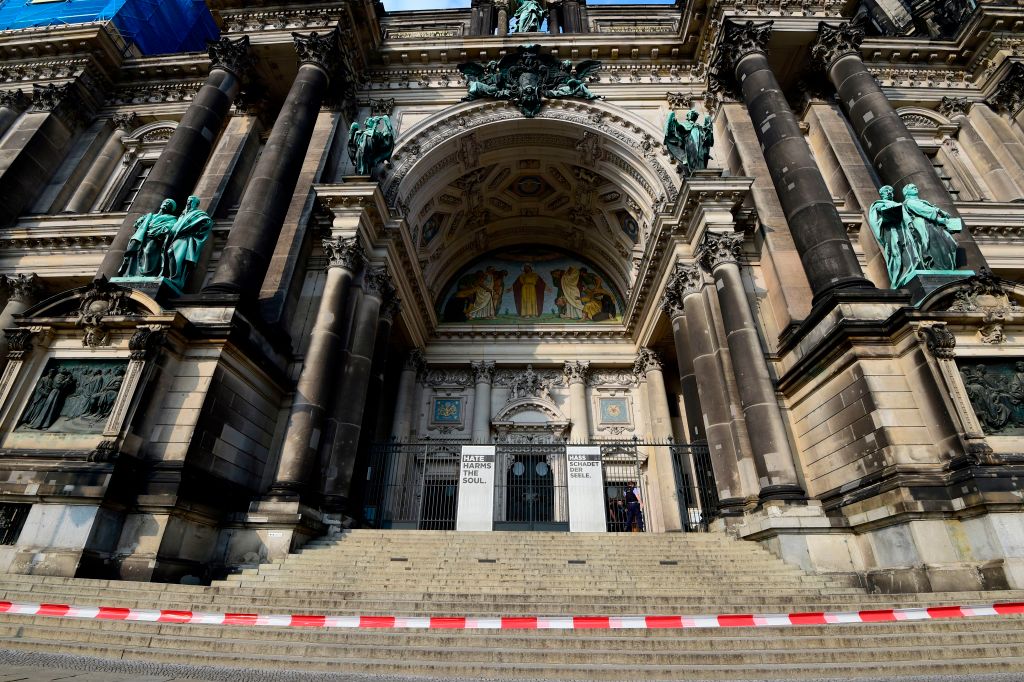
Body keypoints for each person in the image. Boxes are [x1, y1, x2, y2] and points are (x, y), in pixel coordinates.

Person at [901, 183, 961, 272]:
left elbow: (926, 209)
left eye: (915, 186)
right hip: (925, 226)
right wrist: (939, 214)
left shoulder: (921, 202)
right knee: (934, 246)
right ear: (906, 192)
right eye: (912, 187)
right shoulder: (909, 202)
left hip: (933, 225)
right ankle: (937, 268)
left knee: (950, 245)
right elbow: (924, 210)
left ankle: (947, 268)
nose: (915, 188)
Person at [868, 185, 919, 288]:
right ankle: (900, 277)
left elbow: (907, 218)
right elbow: (874, 221)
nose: (889, 193)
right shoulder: (878, 204)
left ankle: (911, 271)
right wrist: (885, 216)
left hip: (904, 230)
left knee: (911, 251)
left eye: (891, 191)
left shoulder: (898, 204)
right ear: (882, 194)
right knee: (896, 252)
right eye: (886, 191)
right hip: (891, 231)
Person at [118, 198, 177, 278]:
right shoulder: (150, 216)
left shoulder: (171, 218)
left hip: (155, 238)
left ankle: (148, 275)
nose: (167, 204)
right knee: (136, 254)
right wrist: (139, 222)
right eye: (166, 202)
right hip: (142, 237)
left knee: (148, 252)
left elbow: (171, 226)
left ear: (171, 209)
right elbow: (137, 225)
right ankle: (134, 274)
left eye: (169, 204)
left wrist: (159, 230)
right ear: (161, 204)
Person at [164, 195, 213, 291]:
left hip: (186, 238)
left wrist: (193, 229)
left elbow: (208, 222)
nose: (189, 202)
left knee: (177, 256)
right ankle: (174, 277)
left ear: (196, 203)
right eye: (188, 200)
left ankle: (176, 279)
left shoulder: (199, 213)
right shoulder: (183, 214)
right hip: (177, 237)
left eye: (191, 201)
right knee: (171, 253)